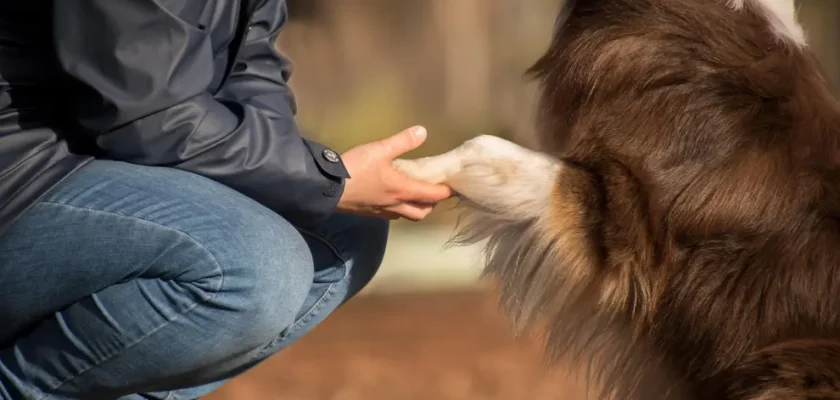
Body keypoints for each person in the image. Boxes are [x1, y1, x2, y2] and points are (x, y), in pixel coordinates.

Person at [0, 0, 452, 398]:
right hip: (21, 179)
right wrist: (325, 179)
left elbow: (250, 71)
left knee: (345, 231)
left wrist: (316, 181)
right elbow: (149, 117)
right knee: (253, 267)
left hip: (95, 161)